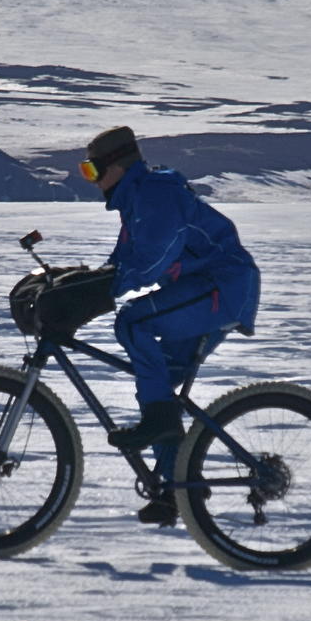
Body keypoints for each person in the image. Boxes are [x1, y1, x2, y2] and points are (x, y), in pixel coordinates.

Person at [81, 125, 260, 506]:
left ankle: (168, 448)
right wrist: (83, 282)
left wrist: (106, 289)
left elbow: (153, 259)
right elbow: (122, 262)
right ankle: (179, 492)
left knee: (134, 321)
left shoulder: (156, 193)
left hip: (221, 286)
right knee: (159, 390)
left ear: (115, 166)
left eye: (92, 171)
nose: (93, 182)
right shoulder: (137, 201)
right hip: (208, 289)